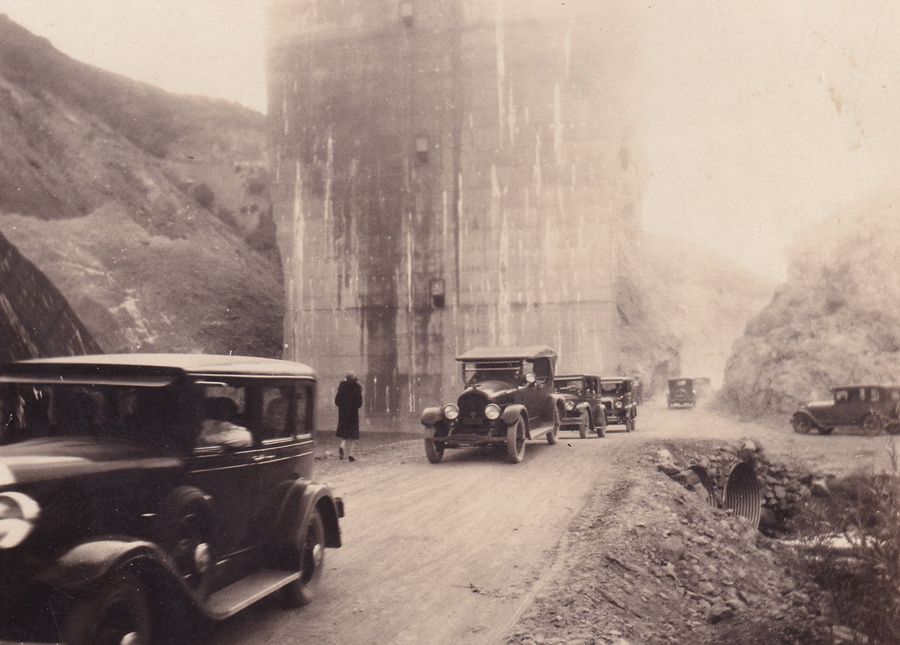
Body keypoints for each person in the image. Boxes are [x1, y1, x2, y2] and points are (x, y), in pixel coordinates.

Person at [335, 372, 363, 462]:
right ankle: (351, 454)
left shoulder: (342, 386)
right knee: (354, 435)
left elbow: (337, 401)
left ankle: (342, 446)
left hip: (343, 413)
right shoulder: (357, 387)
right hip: (353, 414)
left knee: (345, 433)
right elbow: (359, 404)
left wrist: (343, 406)